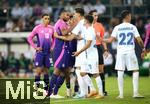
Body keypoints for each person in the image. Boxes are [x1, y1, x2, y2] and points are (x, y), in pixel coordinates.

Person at [101, 10, 145, 99]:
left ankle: (121, 94)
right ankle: (135, 93)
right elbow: (139, 39)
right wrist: (143, 49)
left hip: (120, 52)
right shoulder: (132, 27)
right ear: (127, 16)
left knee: (120, 71)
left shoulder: (117, 27)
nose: (131, 17)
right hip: (130, 52)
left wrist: (101, 39)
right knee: (135, 70)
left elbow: (110, 40)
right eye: (130, 15)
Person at [73, 14, 104, 99]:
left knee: (95, 74)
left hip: (92, 56)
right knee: (82, 72)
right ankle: (93, 89)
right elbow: (81, 38)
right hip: (86, 56)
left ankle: (101, 93)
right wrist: (73, 35)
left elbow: (88, 44)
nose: (83, 20)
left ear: (86, 21)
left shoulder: (90, 30)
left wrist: (79, 52)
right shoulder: (87, 30)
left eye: (84, 19)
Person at [48, 10, 78, 98]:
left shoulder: (64, 24)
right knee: (58, 70)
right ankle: (50, 93)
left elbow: (68, 35)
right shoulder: (61, 23)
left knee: (65, 72)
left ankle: (58, 92)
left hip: (66, 49)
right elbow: (65, 34)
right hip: (62, 49)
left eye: (70, 16)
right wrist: (73, 26)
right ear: (61, 15)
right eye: (67, 15)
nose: (69, 17)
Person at [27, 13, 54, 96]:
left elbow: (55, 39)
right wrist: (35, 47)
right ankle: (36, 90)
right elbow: (29, 38)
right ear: (42, 19)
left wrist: (52, 46)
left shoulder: (51, 28)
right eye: (45, 18)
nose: (47, 20)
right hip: (40, 53)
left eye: (48, 18)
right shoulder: (37, 28)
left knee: (46, 72)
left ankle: (46, 91)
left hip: (48, 53)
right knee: (38, 71)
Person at [89, 9, 109, 96]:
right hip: (89, 48)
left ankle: (103, 91)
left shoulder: (100, 25)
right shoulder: (86, 26)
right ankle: (90, 90)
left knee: (101, 70)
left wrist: (105, 50)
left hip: (98, 48)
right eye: (94, 15)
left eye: (97, 15)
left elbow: (102, 39)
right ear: (90, 16)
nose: (96, 17)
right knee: (88, 70)